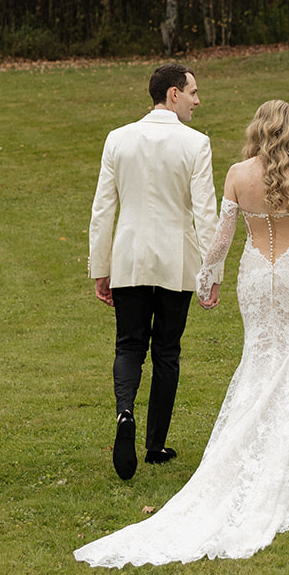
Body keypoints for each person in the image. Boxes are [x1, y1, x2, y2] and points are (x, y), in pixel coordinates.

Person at [75, 98, 289, 567]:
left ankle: (249, 442)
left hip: (258, 274)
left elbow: (221, 239)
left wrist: (207, 281)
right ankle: (284, 451)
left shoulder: (239, 174)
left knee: (260, 354)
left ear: (257, 130)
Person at [85, 63, 220, 482]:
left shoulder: (118, 139)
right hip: (176, 261)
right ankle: (155, 444)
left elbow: (103, 209)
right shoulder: (196, 144)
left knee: (128, 346)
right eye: (193, 92)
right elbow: (206, 214)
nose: (199, 100)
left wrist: (100, 267)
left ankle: (125, 413)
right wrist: (210, 272)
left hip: (128, 259)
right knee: (166, 351)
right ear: (173, 94)